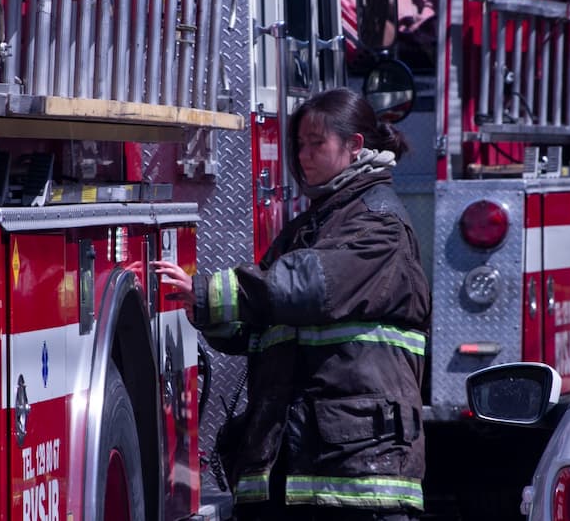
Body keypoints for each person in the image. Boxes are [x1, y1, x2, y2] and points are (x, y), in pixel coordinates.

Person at [153, 87, 431, 521]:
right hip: (306, 464)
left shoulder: (380, 225)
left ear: (354, 146)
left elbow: (308, 287)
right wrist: (210, 316)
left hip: (357, 476)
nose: (303, 155)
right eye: (299, 144)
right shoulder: (313, 224)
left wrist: (210, 293)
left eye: (317, 143)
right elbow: (268, 321)